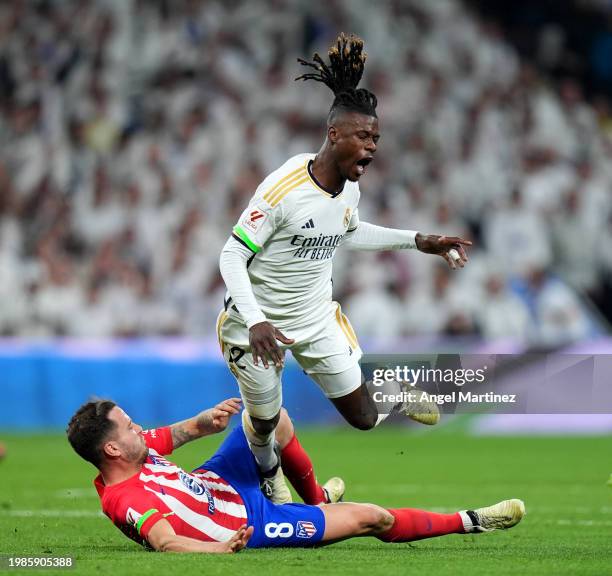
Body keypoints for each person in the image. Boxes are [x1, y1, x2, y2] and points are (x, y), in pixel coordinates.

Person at [218, 33, 472, 501]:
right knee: (265, 422)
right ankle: (273, 484)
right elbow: (232, 254)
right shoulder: (283, 190)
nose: (372, 147)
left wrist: (420, 241)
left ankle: (391, 391)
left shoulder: (349, 186)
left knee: (364, 419)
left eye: (375, 138)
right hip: (256, 326)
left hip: (315, 319)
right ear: (334, 134)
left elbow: (348, 231)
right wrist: (255, 320)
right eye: (362, 136)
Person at [66, 397, 524, 553]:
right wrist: (220, 548)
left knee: (269, 416)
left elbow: (181, 432)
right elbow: (166, 541)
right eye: (128, 426)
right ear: (111, 449)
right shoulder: (124, 498)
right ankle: (472, 520)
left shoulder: (138, 451)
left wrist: (204, 422)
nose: (138, 427)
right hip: (249, 523)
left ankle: (313, 498)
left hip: (220, 481)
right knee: (372, 517)